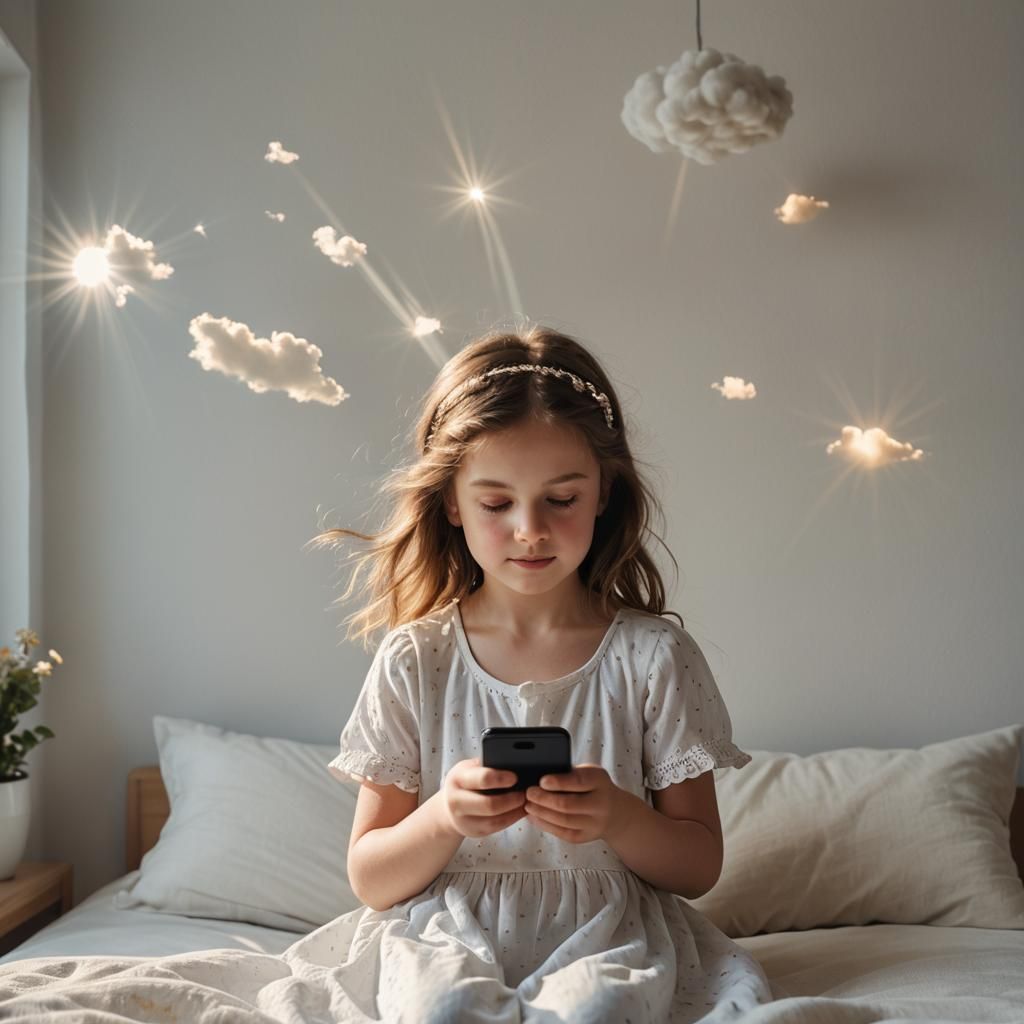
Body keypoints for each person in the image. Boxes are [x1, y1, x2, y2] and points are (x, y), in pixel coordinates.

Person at [289, 324, 774, 1022]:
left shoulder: (653, 658)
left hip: (607, 933)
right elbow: (370, 875)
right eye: (496, 503)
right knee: (444, 1010)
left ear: (604, 491)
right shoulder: (415, 659)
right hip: (445, 932)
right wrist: (445, 816)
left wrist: (618, 815)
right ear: (451, 503)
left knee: (598, 1012)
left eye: (562, 498)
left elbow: (698, 868)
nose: (530, 529)